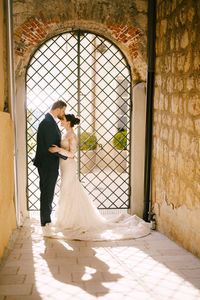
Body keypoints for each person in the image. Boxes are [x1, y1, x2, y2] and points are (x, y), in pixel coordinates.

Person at [47, 114, 150, 241]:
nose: (60, 121)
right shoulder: (64, 133)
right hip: (63, 165)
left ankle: (71, 220)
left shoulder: (72, 135)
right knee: (66, 190)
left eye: (62, 120)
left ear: (68, 122)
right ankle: (67, 218)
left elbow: (72, 154)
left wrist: (58, 150)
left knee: (67, 189)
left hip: (69, 165)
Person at [33, 100, 67, 235]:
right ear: (58, 109)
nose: (63, 114)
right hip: (47, 164)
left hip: (49, 163)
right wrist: (67, 156)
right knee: (47, 192)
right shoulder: (47, 123)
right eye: (63, 110)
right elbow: (50, 147)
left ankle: (46, 219)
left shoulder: (50, 121)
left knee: (48, 191)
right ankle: (45, 221)